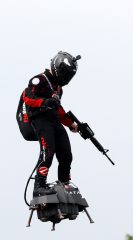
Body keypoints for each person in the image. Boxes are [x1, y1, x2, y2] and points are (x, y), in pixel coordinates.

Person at [21, 51, 81, 196]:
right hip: (40, 120)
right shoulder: (39, 79)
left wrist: (71, 123)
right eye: (65, 74)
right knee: (48, 151)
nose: (66, 78)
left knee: (66, 153)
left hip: (53, 120)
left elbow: (58, 109)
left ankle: (64, 183)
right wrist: (45, 102)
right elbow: (27, 97)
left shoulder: (58, 89)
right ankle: (39, 186)